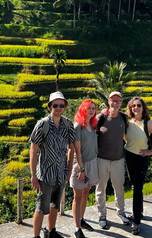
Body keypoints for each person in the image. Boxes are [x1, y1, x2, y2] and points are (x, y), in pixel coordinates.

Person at [29, 91, 75, 238]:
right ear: (50, 106)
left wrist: (69, 169)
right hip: (45, 174)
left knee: (55, 204)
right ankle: (36, 236)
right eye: (55, 105)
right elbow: (33, 150)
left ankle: (52, 231)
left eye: (61, 105)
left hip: (61, 172)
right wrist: (33, 175)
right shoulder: (42, 125)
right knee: (41, 207)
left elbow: (71, 148)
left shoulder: (68, 124)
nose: (58, 108)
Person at [124, 96, 152, 235]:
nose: (136, 108)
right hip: (128, 156)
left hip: (141, 158)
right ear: (130, 108)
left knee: (137, 189)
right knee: (134, 186)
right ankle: (139, 212)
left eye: (138, 105)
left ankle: (136, 222)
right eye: (133, 106)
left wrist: (151, 151)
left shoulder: (147, 122)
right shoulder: (128, 120)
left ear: (143, 108)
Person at [95, 91, 131, 229]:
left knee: (119, 188)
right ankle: (102, 215)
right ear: (108, 101)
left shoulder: (124, 118)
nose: (115, 103)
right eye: (112, 100)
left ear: (121, 103)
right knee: (100, 189)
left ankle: (121, 213)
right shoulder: (101, 117)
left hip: (118, 160)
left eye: (117, 101)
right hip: (101, 159)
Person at [70, 100, 99, 238]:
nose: (92, 110)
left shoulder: (92, 125)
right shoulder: (78, 126)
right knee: (78, 197)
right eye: (89, 108)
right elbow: (77, 151)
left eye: (93, 108)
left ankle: (81, 220)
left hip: (92, 162)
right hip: (81, 165)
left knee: (86, 193)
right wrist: (81, 169)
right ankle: (77, 228)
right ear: (83, 109)